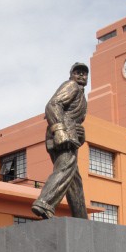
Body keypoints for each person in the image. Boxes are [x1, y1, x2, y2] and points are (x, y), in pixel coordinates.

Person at [31, 62, 89, 219]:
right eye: (78, 72)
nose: (82, 75)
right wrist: (59, 130)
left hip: (69, 135)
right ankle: (44, 202)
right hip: (63, 136)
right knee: (65, 169)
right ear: (71, 75)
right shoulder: (72, 86)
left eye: (84, 73)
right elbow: (53, 104)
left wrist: (81, 134)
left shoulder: (82, 97)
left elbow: (74, 119)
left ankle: (81, 217)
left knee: (73, 180)